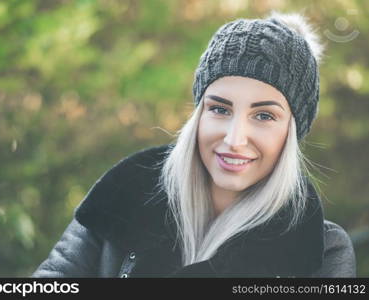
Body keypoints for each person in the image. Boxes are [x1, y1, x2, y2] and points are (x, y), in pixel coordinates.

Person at [32, 11, 356, 278]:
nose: (234, 139)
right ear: (198, 116)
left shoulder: (320, 251)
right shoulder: (119, 199)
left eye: (264, 116)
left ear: (291, 131)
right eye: (219, 109)